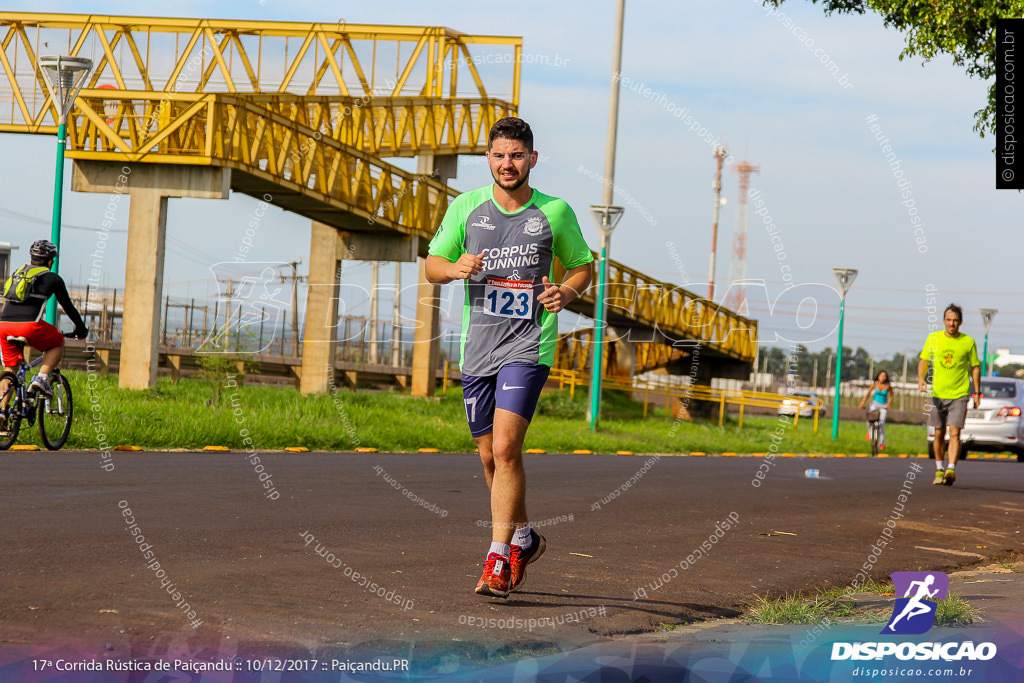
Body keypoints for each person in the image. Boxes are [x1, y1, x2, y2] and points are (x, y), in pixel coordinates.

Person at [425, 117, 593, 598]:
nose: (507, 164)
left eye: (517, 155)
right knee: (488, 459)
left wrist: (566, 291)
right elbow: (433, 264)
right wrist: (454, 267)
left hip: (528, 344)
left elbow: (583, 266)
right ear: (489, 160)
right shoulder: (466, 207)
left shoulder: (554, 213)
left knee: (505, 449)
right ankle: (524, 536)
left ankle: (498, 559)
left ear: (532, 160)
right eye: (499, 155)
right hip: (478, 346)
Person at [0, 240, 88, 418]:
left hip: (3, 327)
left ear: (31, 258)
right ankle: (41, 378)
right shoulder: (53, 278)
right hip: (29, 327)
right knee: (57, 342)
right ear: (51, 261)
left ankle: (2, 413)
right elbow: (68, 307)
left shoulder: (17, 274)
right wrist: (81, 329)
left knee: (10, 369)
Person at [917, 304, 980, 486]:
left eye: (955, 320)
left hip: (959, 394)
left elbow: (975, 367)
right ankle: (939, 468)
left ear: (960, 322)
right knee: (938, 433)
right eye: (949, 320)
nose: (952, 324)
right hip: (937, 394)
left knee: (954, 432)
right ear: (944, 320)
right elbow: (923, 360)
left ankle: (951, 468)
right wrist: (921, 379)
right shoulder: (933, 338)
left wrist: (976, 392)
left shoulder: (968, 342)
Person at [858, 370, 893, 450]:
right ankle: (870, 434)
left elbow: (891, 396)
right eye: (881, 376)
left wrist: (888, 405)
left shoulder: (888, 386)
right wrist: (862, 403)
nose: (883, 378)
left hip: (883, 405)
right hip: (875, 403)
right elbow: (868, 394)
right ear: (878, 376)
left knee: (881, 422)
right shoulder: (875, 384)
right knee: (869, 418)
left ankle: (882, 443)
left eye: (885, 376)